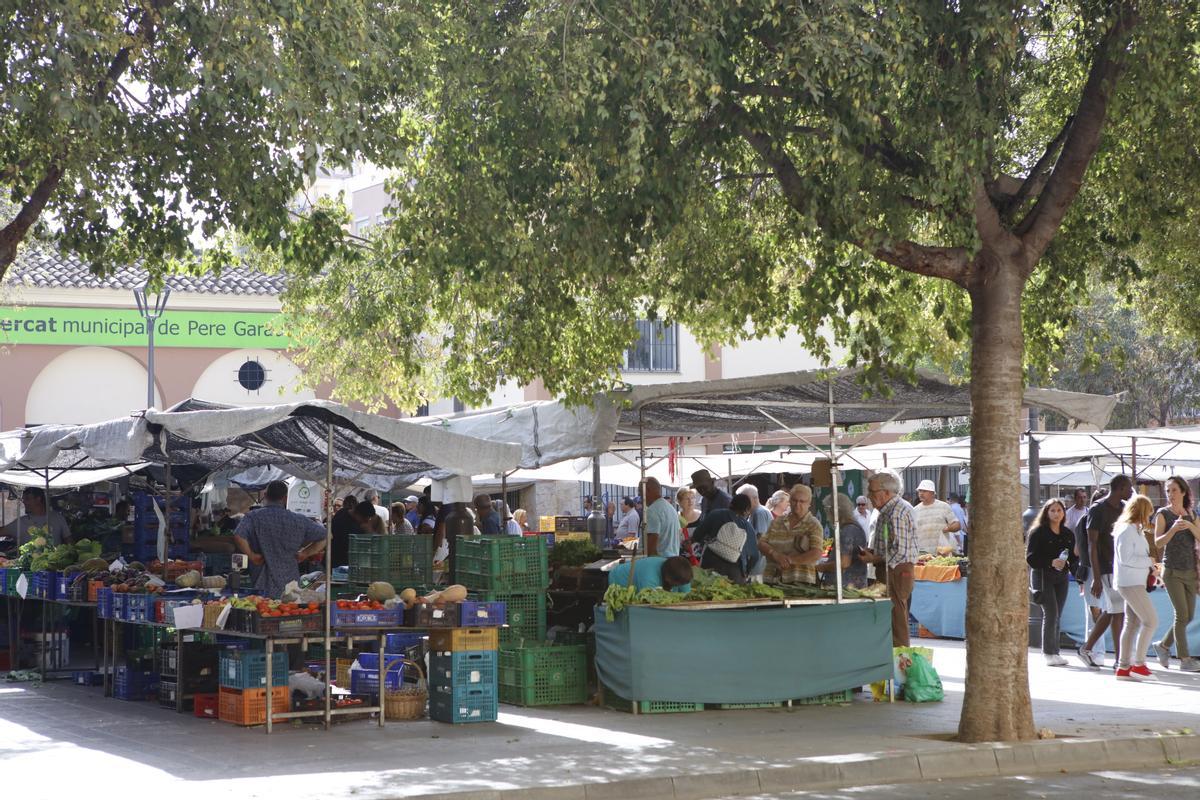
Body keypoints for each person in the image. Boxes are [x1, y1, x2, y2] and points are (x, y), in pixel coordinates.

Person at [233, 480, 328, 598]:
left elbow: (238, 535)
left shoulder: (253, 517)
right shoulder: (299, 520)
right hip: (290, 584)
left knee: (262, 607)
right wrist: (305, 553)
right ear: (285, 498)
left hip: (261, 582)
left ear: (265, 496)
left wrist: (252, 556)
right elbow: (326, 535)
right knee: (288, 608)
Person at [1077, 475, 1133, 668]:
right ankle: (1119, 660)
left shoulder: (1124, 507)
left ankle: (1087, 648)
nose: (1131, 491)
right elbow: (1092, 544)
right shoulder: (1097, 509)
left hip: (1120, 566)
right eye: (1129, 488)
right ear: (1121, 488)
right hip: (1106, 567)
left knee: (1113, 611)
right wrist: (1096, 577)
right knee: (1117, 612)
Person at [859, 469, 918, 647]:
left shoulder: (897, 511)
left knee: (896, 619)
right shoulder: (887, 510)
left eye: (872, 491)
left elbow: (900, 551)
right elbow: (892, 544)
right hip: (890, 569)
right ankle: (894, 656)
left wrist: (874, 558)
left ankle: (901, 658)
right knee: (891, 617)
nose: (869, 496)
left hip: (896, 570)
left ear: (886, 492)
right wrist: (872, 552)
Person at [1151, 476, 1200, 672]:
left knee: (1189, 616)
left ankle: (1163, 645)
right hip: (1171, 571)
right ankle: (1185, 659)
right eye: (1168, 491)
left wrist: (1190, 525)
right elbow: (1158, 543)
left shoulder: (1192, 514)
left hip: (1190, 571)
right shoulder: (1163, 514)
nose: (1170, 494)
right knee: (1181, 615)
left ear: (1183, 492)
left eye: (1174, 490)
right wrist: (1172, 529)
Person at [1026, 498, 1077, 666]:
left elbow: (1073, 558)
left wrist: (1077, 574)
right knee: (1051, 613)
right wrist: (1050, 562)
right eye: (1053, 510)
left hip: (1061, 577)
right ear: (1046, 513)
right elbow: (1031, 558)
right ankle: (1048, 652)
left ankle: (1055, 651)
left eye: (1059, 510)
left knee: (1058, 615)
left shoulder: (1067, 534)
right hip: (1043, 576)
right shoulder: (1038, 532)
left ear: (1064, 513)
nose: (1056, 514)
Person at [1113, 495, 1158, 680]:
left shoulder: (1133, 530)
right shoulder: (1127, 530)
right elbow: (1126, 559)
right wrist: (1149, 562)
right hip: (1130, 582)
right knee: (1150, 621)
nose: (1149, 516)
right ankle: (1139, 664)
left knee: (1132, 624)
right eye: (1148, 513)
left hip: (1132, 582)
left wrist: (1150, 566)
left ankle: (1124, 667)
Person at [759, 484, 824, 585]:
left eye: (802, 501)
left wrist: (790, 560)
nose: (797, 504)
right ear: (790, 501)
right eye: (794, 500)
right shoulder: (777, 522)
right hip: (772, 579)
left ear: (809, 504)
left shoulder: (813, 524)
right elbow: (761, 543)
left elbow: (816, 553)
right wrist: (775, 554)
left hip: (800, 583)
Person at [690, 493, 758, 583]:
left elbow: (697, 535)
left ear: (731, 504)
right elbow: (755, 556)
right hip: (735, 572)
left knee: (707, 591)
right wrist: (746, 571)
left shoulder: (716, 514)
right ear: (746, 510)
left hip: (711, 566)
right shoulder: (748, 527)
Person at [1072, 489, 1106, 661]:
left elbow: (1077, 551)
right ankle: (1095, 651)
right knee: (1096, 611)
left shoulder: (1085, 520)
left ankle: (1094, 650)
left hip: (1094, 571)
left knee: (1097, 611)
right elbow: (1079, 550)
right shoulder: (1087, 520)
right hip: (1093, 571)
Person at [818, 493, 868, 589]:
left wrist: (822, 567)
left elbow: (844, 563)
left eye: (827, 511)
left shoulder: (848, 530)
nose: (827, 516)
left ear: (833, 511)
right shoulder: (852, 527)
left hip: (847, 588)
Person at [0, 487, 71, 546]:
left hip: (55, 558)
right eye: (23, 499)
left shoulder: (57, 517)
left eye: (27, 499)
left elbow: (69, 541)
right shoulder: (20, 523)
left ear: (38, 499)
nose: (24, 502)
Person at [912, 479, 961, 553]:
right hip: (922, 552)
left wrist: (948, 528)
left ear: (932, 493)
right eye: (920, 491)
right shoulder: (915, 510)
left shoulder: (944, 506)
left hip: (941, 552)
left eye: (924, 491)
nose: (921, 493)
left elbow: (957, 525)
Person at [738, 484, 773, 580]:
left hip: (758, 567)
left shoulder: (759, 512)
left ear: (752, 498)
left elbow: (760, 538)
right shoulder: (755, 512)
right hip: (757, 565)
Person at [607, 555, 693, 593]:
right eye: (677, 584)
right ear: (668, 579)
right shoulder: (649, 577)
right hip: (619, 578)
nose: (681, 585)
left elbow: (686, 595)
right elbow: (650, 602)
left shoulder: (682, 576)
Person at [642, 478, 680, 557]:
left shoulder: (652, 510)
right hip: (671, 559)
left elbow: (651, 548)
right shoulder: (670, 508)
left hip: (659, 561)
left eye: (640, 492)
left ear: (647, 490)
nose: (640, 497)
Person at [329, 494, 362, 566]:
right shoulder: (354, 518)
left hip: (335, 555)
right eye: (335, 505)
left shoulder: (338, 515)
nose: (336, 507)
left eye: (338, 505)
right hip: (348, 557)